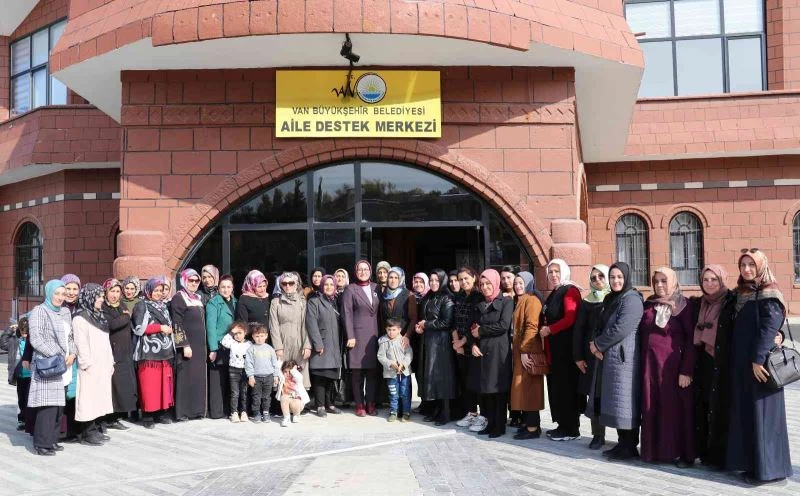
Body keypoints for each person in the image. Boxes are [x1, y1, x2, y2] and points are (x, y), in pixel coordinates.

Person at [726, 249, 792, 485]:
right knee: (751, 416)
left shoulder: (769, 293)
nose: (746, 269)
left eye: (751, 265)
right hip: (745, 365)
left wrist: (757, 359)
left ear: (761, 266)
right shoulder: (742, 293)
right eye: (742, 265)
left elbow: (769, 328)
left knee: (763, 416)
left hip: (761, 367)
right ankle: (755, 465)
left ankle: (767, 471)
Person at [587, 262, 644, 461]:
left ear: (627, 277)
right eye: (612, 277)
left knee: (625, 402)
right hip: (610, 358)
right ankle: (622, 444)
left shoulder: (632, 299)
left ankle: (629, 447)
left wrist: (598, 345)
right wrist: (594, 343)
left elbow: (621, 328)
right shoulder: (611, 299)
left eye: (620, 277)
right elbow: (600, 324)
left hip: (624, 359)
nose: (616, 281)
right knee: (616, 402)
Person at [639, 267, 695, 467]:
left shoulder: (683, 305)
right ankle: (654, 451)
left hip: (673, 368)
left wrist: (686, 370)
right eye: (656, 281)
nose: (660, 285)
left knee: (674, 410)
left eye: (664, 281)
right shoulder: (649, 304)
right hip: (650, 367)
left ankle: (681, 454)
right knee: (651, 406)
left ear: (673, 282)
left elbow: (691, 340)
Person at [691, 264, 736, 469]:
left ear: (722, 280)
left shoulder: (731, 301)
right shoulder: (699, 303)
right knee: (704, 405)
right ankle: (705, 452)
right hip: (703, 361)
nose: (709, 284)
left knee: (721, 407)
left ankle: (721, 455)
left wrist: (777, 335)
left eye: (714, 279)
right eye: (705, 280)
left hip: (723, 361)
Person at [28, 279, 76, 456]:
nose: (60, 297)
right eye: (57, 293)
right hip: (48, 364)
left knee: (58, 406)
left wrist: (72, 353)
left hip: (64, 364)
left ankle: (53, 439)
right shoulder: (39, 311)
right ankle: (41, 443)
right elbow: (36, 339)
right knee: (47, 405)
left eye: (63, 294)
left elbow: (71, 337)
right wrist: (55, 354)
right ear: (49, 293)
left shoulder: (65, 312)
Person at [541, 259, 585, 442]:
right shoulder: (555, 292)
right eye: (550, 272)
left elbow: (570, 318)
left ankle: (571, 428)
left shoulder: (570, 291)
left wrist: (550, 329)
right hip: (555, 350)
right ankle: (562, 425)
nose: (553, 275)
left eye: (556, 271)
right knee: (558, 388)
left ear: (564, 271)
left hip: (566, 351)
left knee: (567, 389)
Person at [472, 269, 514, 439]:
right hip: (483, 351)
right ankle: (489, 423)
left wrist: (481, 331)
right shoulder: (480, 303)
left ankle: (500, 425)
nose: (485, 287)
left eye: (488, 283)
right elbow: (472, 327)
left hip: (499, 351)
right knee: (486, 389)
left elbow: (503, 325)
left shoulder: (506, 301)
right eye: (482, 284)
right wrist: (473, 343)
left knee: (498, 388)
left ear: (495, 283)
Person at [573, 264, 610, 449]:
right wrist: (578, 357)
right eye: (594, 278)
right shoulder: (587, 301)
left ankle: (624, 437)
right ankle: (598, 435)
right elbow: (579, 330)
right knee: (595, 395)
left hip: (611, 354)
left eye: (601, 276)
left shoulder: (615, 298)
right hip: (591, 356)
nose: (598, 281)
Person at [73, 283, 115, 446]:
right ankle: (87, 432)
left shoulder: (100, 316)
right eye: (98, 297)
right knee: (88, 399)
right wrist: (86, 364)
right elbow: (80, 343)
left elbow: (106, 342)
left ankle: (97, 427)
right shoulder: (80, 317)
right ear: (90, 297)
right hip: (90, 366)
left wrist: (110, 361)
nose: (101, 300)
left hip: (103, 364)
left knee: (100, 397)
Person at [132, 277, 175, 429]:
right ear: (149, 290)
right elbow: (138, 328)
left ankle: (162, 413)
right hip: (148, 351)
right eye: (155, 290)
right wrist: (159, 328)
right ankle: (148, 415)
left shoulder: (164, 305)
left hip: (166, 350)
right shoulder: (141, 305)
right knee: (149, 385)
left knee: (164, 384)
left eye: (161, 290)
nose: (158, 293)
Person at [341, 260, 381, 417]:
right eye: (360, 269)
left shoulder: (376, 287)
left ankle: (370, 403)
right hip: (357, 336)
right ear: (355, 271)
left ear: (370, 271)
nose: (363, 272)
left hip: (374, 336)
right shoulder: (350, 289)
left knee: (372, 372)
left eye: (366, 269)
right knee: (357, 374)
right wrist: (350, 335)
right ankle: (359, 404)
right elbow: (346, 314)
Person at [417, 268, 456, 425]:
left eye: (436, 280)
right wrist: (421, 326)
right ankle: (437, 410)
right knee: (432, 377)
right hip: (429, 341)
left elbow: (446, 322)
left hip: (441, 343)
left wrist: (427, 324)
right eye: (431, 280)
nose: (433, 283)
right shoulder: (428, 297)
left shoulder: (447, 298)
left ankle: (445, 413)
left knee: (443, 378)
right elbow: (424, 317)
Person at [510, 271, 545, 440]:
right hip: (521, 351)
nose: (517, 285)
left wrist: (525, 351)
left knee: (530, 389)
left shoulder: (531, 300)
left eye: (521, 283)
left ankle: (533, 428)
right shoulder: (521, 300)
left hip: (528, 352)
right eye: (516, 283)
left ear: (529, 283)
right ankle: (529, 425)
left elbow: (532, 327)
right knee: (523, 389)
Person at [171, 269, 208, 420]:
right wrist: (184, 344)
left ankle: (197, 411)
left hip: (199, 347)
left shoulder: (197, 297)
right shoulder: (179, 298)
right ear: (184, 280)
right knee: (186, 378)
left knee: (197, 378)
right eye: (190, 280)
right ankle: (183, 412)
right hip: (188, 347)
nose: (193, 283)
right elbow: (176, 323)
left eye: (196, 281)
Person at [101, 278, 137, 429]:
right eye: (112, 291)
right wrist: (125, 317)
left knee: (122, 385)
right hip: (112, 351)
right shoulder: (104, 307)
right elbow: (111, 325)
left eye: (117, 291)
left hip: (125, 352)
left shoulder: (121, 305)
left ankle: (117, 416)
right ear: (106, 292)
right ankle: (109, 418)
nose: (115, 295)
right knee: (112, 385)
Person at [452, 267, 485, 431]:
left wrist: (463, 342)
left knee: (475, 382)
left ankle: (482, 415)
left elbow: (474, 324)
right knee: (465, 381)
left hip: (473, 345)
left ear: (473, 278)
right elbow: (454, 322)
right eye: (461, 279)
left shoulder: (479, 297)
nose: (463, 282)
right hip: (459, 346)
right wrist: (455, 342)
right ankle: (471, 413)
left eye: (466, 278)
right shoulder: (458, 297)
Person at [306, 275, 344, 417]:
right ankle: (320, 405)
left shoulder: (335, 302)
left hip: (334, 345)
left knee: (331, 377)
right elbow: (311, 323)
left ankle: (330, 404)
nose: (329, 287)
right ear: (322, 286)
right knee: (320, 376)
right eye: (326, 284)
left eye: (331, 285)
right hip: (322, 344)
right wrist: (318, 343)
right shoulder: (314, 302)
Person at [270, 272, 311, 389]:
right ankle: (284, 404)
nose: (287, 286)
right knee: (283, 373)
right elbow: (274, 325)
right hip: (283, 341)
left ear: (296, 284)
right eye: (284, 283)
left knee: (300, 374)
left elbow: (306, 325)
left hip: (299, 341)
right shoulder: (275, 302)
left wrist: (307, 345)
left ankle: (299, 405)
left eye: (291, 283)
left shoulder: (303, 302)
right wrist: (278, 347)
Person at [206, 274, 237, 419]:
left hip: (232, 345)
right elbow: (210, 327)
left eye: (228, 287)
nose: (226, 290)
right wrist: (213, 349)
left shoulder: (236, 302)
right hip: (219, 345)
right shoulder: (213, 303)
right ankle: (217, 411)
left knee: (229, 378)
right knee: (217, 379)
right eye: (223, 287)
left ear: (232, 288)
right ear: (218, 288)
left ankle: (227, 409)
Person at [378, 318, 413, 422]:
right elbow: (381, 356)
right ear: (386, 329)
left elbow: (409, 354)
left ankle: (406, 412)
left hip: (404, 373)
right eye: (389, 329)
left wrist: (404, 364)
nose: (391, 332)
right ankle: (394, 412)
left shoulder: (403, 340)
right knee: (393, 393)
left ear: (399, 330)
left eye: (394, 330)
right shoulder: (383, 342)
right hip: (391, 374)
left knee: (405, 393)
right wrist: (390, 363)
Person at [246, 323, 281, 423]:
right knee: (256, 396)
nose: (259, 338)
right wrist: (251, 376)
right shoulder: (251, 349)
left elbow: (275, 363)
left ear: (266, 336)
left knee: (266, 397)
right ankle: (256, 413)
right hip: (256, 377)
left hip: (269, 377)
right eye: (257, 336)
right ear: (253, 336)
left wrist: (275, 376)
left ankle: (266, 413)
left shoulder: (270, 349)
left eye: (262, 336)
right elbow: (248, 364)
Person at [219, 322, 251, 423]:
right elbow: (223, 342)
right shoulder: (232, 343)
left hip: (245, 371)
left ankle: (244, 412)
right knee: (234, 393)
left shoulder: (249, 344)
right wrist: (231, 332)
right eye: (235, 334)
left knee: (244, 392)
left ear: (245, 332)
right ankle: (234, 412)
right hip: (233, 370)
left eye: (240, 333)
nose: (237, 335)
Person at [8, 316, 32, 431]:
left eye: (27, 333)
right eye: (23, 332)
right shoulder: (16, 340)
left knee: (29, 399)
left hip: (31, 375)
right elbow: (2, 343)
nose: (25, 335)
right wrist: (10, 331)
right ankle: (22, 420)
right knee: (21, 399)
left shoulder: (33, 340)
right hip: (20, 375)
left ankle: (29, 420)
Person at [276, 360, 310, 427]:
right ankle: (287, 418)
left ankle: (296, 416)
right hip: (286, 403)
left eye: (289, 372)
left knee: (296, 401)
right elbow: (278, 368)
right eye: (285, 372)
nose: (288, 374)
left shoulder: (297, 379)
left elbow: (298, 376)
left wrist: (293, 370)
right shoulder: (283, 378)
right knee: (284, 397)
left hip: (298, 403)